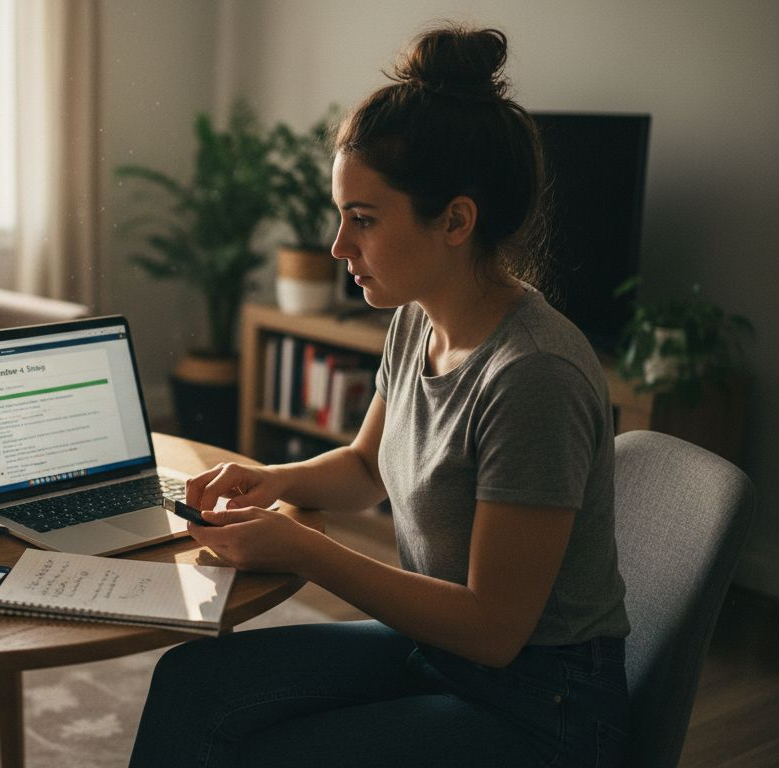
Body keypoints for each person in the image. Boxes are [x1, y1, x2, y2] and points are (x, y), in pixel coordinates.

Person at [128, 24, 630, 768]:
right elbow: (368, 469)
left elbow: (495, 628)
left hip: (539, 704)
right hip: (441, 649)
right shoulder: (414, 320)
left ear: (456, 220)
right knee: (192, 684)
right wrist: (275, 482)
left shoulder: (533, 378)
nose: (337, 247)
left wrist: (302, 546)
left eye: (362, 219)